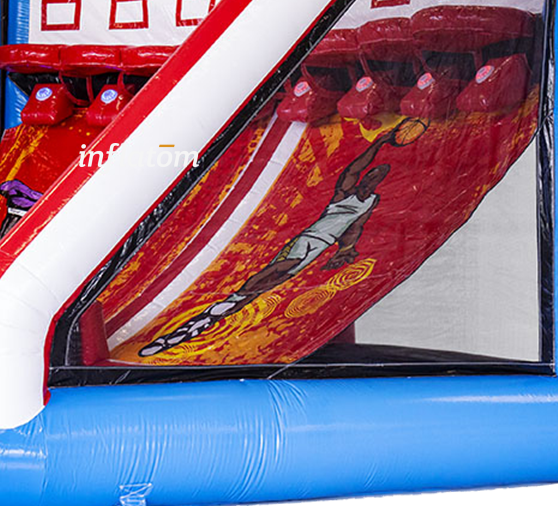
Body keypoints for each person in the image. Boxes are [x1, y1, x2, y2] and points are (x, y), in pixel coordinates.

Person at [138, 125, 401, 357]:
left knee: (275, 281)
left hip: (321, 245)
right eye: (373, 173)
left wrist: (346, 248)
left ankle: (221, 310)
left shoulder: (371, 201)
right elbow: (354, 168)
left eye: (378, 175)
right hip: (308, 239)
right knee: (283, 267)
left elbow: (355, 226)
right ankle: (234, 297)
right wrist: (378, 143)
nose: (373, 176)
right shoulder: (346, 191)